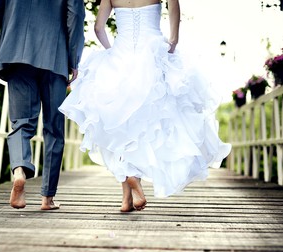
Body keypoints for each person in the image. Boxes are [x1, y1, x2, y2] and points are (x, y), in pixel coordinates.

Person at [59, 0, 231, 212]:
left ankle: (126, 199)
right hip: (152, 54)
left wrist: (111, 50)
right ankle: (132, 178)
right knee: (147, 126)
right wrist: (174, 40)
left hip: (121, 57)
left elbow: (98, 27)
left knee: (123, 126)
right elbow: (174, 5)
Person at [0, 0, 85, 210]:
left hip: (16, 53)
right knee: (54, 129)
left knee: (21, 123)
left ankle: (19, 170)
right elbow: (75, 14)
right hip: (55, 56)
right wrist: (74, 59)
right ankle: (47, 198)